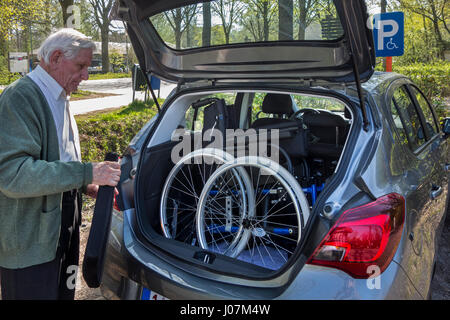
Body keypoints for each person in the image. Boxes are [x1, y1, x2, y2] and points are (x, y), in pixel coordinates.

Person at [0, 29, 121, 300]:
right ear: (55, 57)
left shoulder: (60, 96)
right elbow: (13, 175)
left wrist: (84, 184)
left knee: (63, 294)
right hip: (31, 243)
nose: (86, 75)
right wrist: (87, 171)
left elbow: (62, 161)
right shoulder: (20, 97)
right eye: (81, 66)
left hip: (64, 224)